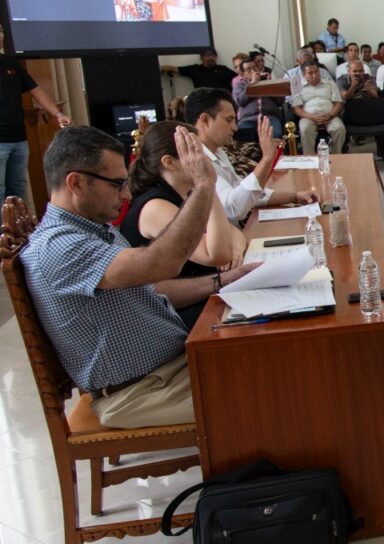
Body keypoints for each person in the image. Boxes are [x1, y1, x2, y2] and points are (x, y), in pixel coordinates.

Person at [21, 125, 258, 428]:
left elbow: (153, 289)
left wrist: (222, 281)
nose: (127, 193)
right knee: (276, 388)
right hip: (139, 391)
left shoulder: (93, 229)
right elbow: (163, 264)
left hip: (167, 369)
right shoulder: (60, 245)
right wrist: (202, 186)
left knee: (276, 355)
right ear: (76, 183)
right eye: (117, 184)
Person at [120, 120, 247, 329]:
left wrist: (236, 246)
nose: (205, 160)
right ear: (170, 162)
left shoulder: (185, 195)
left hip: (202, 295)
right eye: (196, 154)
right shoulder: (154, 206)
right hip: (172, 315)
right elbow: (217, 254)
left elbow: (233, 231)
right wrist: (208, 183)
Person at [186, 87, 317, 224]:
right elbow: (233, 209)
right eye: (228, 120)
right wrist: (266, 160)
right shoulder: (197, 161)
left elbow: (248, 194)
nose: (235, 128)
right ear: (205, 120)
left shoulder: (218, 152)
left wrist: (295, 197)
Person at [0, 22, 72, 199]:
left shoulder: (11, 63)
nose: (0, 36)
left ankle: (21, 226)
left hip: (19, 138)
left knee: (17, 188)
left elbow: (36, 90)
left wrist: (57, 114)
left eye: (1, 31)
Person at [290, 60, 346, 155]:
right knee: (305, 129)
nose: (314, 75)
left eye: (316, 72)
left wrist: (330, 115)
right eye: (310, 73)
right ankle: (309, 157)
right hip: (308, 117)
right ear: (303, 74)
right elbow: (296, 108)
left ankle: (337, 156)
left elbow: (339, 103)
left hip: (330, 116)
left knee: (339, 128)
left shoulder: (330, 84)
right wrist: (312, 117)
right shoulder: (296, 85)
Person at [232, 59, 285, 138]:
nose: (253, 71)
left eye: (254, 68)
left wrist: (269, 84)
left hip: (269, 117)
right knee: (244, 138)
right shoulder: (240, 85)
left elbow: (281, 100)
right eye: (248, 69)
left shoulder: (267, 82)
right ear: (243, 74)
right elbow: (239, 101)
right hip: (248, 119)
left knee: (276, 135)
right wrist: (252, 85)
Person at [337, 59, 384, 129]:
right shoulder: (341, 80)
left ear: (364, 71)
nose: (358, 73)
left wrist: (369, 90)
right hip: (351, 108)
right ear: (349, 72)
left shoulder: (369, 78)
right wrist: (353, 86)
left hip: (368, 106)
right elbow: (345, 97)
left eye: (360, 71)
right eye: (355, 71)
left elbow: (377, 96)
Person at [162, 48, 237, 91]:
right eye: (207, 55)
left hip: (222, 101)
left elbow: (239, 78)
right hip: (203, 101)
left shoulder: (223, 69)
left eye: (213, 55)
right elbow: (174, 69)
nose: (211, 58)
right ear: (201, 58)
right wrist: (161, 68)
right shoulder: (195, 69)